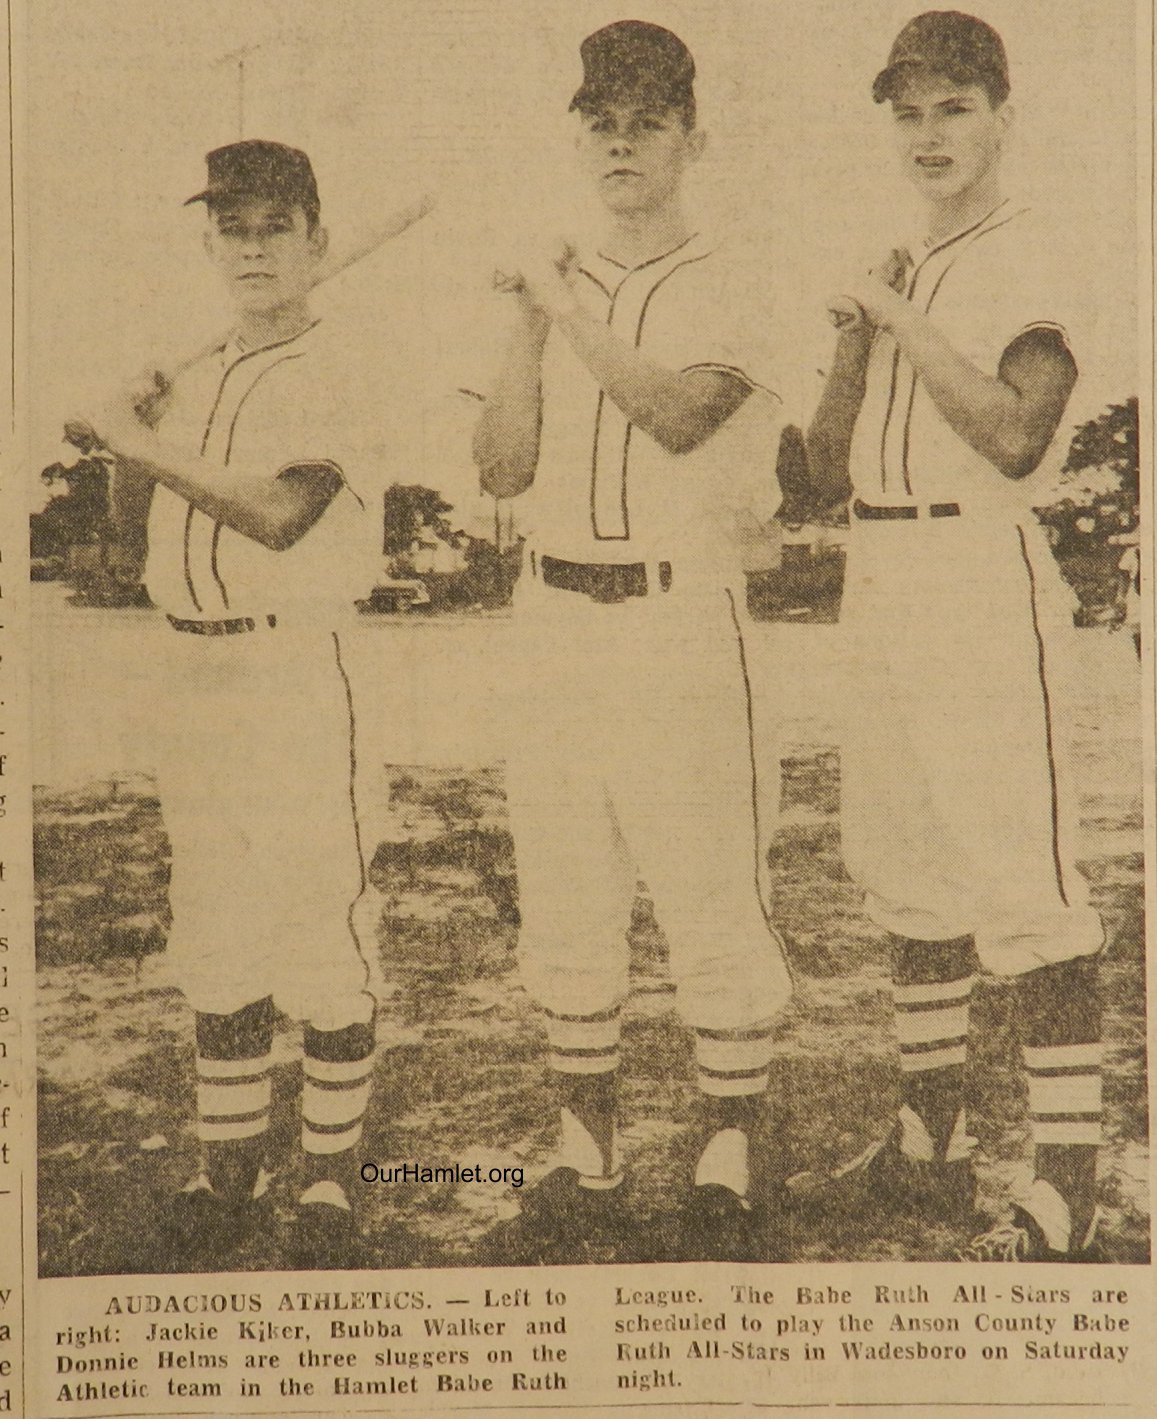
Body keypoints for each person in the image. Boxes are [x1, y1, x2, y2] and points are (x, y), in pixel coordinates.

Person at [473, 20, 792, 1262]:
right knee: (564, 884)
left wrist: (563, 307)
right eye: (599, 117)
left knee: (707, 879)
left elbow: (672, 415)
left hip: (679, 609)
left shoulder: (735, 268)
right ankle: (579, 1148)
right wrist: (522, 324)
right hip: (549, 611)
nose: (619, 137)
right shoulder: (551, 284)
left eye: (646, 118)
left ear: (690, 138)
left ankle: (726, 1145)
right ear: (576, 134)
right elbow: (498, 464)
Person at [800, 12, 1105, 1261]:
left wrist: (900, 313)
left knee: (1023, 889)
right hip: (877, 568)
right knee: (905, 870)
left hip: (977, 574)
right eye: (907, 111)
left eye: (952, 109)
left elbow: (1015, 436)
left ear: (999, 117)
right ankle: (928, 1145)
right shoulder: (903, 264)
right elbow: (820, 470)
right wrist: (854, 330)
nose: (927, 133)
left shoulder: (1030, 245)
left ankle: (1064, 1186)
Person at [72, 140, 382, 1268]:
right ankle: (228, 1163)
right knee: (213, 928)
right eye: (232, 229)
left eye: (274, 228)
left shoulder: (341, 362)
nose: (253, 248)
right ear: (208, 242)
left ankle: (331, 1180)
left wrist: (136, 437)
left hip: (294, 672)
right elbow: (122, 535)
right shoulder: (192, 373)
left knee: (318, 930)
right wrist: (129, 434)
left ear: (316, 243)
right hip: (190, 671)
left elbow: (279, 515)